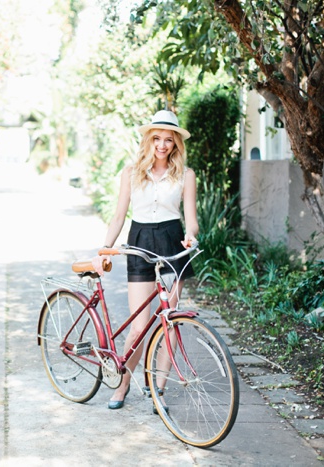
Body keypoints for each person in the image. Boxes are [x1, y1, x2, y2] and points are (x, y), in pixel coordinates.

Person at [92, 109, 199, 410]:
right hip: (139, 242)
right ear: (148, 140)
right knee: (139, 327)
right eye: (157, 139)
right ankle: (123, 384)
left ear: (176, 143)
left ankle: (158, 390)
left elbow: (191, 220)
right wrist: (105, 249)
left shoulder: (186, 175)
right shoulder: (131, 173)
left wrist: (190, 237)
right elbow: (118, 216)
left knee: (169, 320)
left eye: (168, 139)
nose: (162, 145)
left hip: (172, 244)